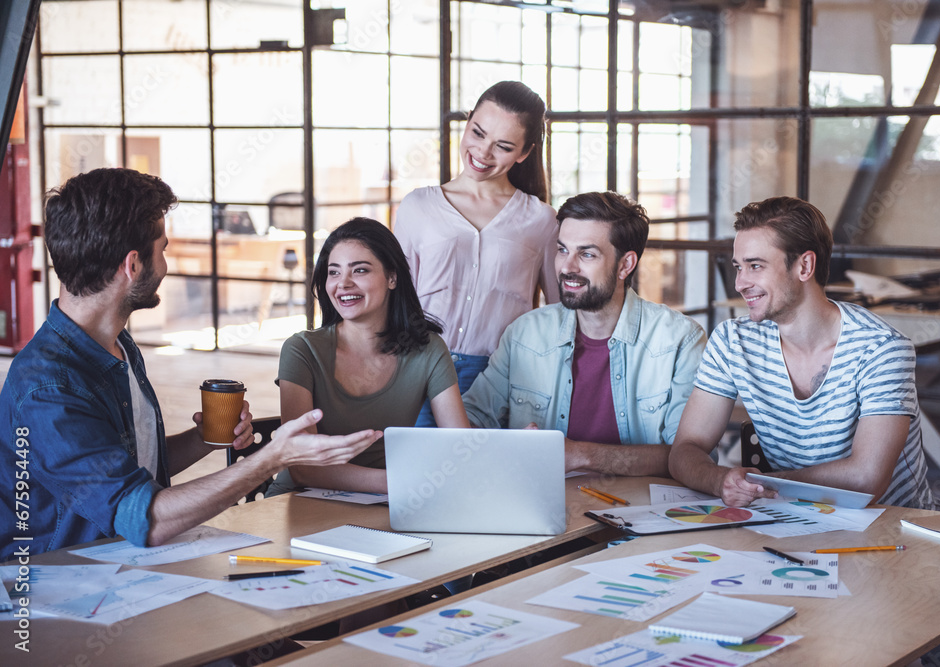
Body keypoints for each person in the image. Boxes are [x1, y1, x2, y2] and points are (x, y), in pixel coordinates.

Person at [0, 168, 382, 562]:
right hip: (58, 584)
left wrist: (205, 439)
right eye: (162, 249)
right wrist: (274, 457)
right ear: (132, 266)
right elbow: (145, 518)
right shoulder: (48, 387)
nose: (164, 266)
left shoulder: (116, 344)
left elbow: (124, 465)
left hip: (120, 563)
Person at [668, 196, 940, 510]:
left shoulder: (881, 349)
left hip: (895, 531)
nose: (740, 283)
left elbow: (867, 479)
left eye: (755, 266)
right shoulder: (733, 341)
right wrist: (721, 481)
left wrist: (764, 484)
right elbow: (685, 450)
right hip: (792, 522)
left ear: (805, 266)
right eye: (738, 267)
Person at [462, 191, 707, 476]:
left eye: (587, 254)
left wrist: (579, 455)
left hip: (640, 509)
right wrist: (506, 445)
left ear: (625, 265)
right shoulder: (524, 333)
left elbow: (689, 457)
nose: (567, 267)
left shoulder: (680, 340)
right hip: (541, 503)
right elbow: (473, 420)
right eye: (562, 249)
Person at [394, 81, 560, 427]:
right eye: (477, 133)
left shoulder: (541, 220)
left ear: (525, 153)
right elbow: (395, 299)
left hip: (499, 377)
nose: (483, 153)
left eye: (503, 146)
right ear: (467, 122)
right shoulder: (416, 207)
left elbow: (558, 314)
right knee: (415, 472)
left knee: (485, 478)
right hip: (418, 368)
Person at [268, 217, 470, 496]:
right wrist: (402, 483)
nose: (343, 284)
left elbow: (459, 444)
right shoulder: (302, 350)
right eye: (334, 272)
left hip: (383, 505)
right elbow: (304, 467)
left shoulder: (429, 349)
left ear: (392, 277)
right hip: (299, 502)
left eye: (359, 270)